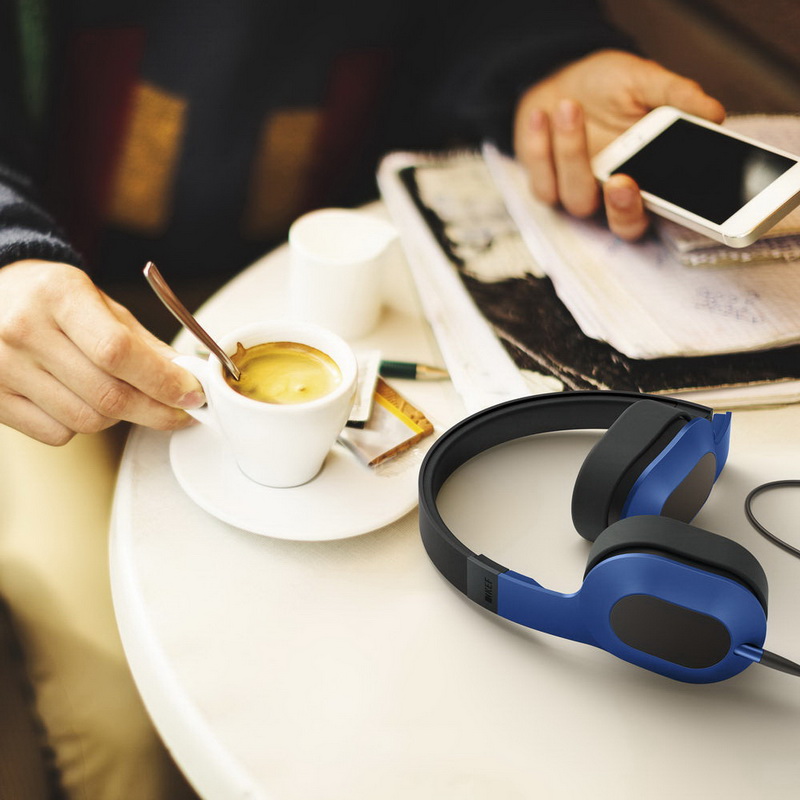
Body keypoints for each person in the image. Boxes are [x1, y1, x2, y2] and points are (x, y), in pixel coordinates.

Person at [0, 1, 725, 797]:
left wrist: (548, 67)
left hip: (329, 289)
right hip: (54, 312)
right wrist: (9, 255)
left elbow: (480, 23)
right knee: (121, 721)